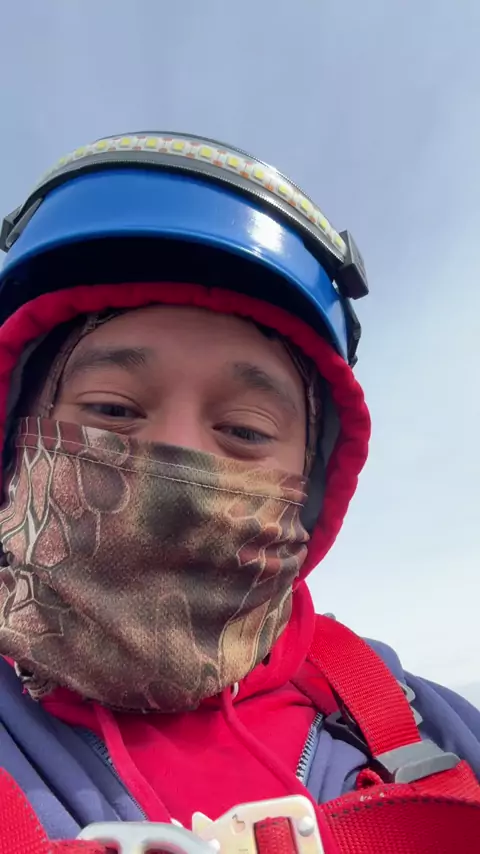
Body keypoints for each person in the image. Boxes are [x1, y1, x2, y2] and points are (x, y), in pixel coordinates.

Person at [0, 132, 478, 854]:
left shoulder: (419, 724)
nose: (180, 452)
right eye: (112, 409)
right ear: (16, 440)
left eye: (246, 430)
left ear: (311, 483)